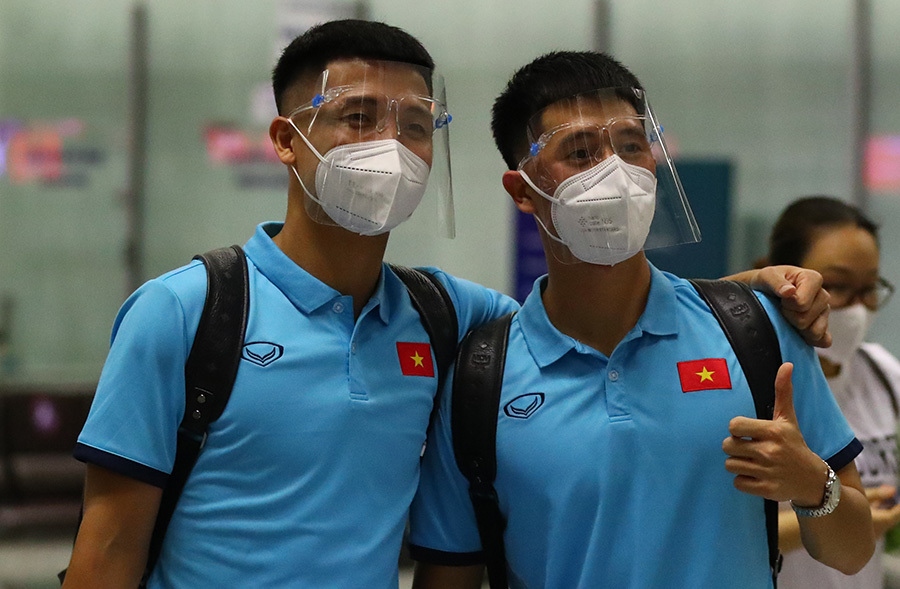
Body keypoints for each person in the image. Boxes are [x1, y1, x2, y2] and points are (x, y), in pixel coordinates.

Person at [60, 20, 829, 587]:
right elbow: (108, 551)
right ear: (287, 138)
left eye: (418, 124)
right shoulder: (188, 313)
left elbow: (594, 308)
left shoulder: (446, 318)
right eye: (358, 117)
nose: (391, 145)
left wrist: (749, 291)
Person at [407, 51, 875, 589]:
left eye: (632, 146)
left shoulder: (756, 331)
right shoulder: (477, 382)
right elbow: (449, 576)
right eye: (581, 152)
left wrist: (812, 485)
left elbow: (853, 550)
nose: (617, 172)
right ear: (523, 191)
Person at [765, 196, 900, 589]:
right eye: (837, 286)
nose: (857, 309)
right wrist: (846, 519)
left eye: (870, 288)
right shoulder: (750, 377)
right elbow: (712, 528)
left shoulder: (880, 372)